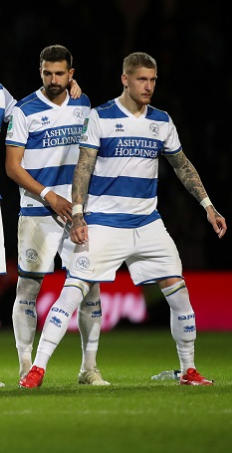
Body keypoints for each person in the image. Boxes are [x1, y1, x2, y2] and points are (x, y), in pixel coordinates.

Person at [20, 52, 226, 388]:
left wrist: (208, 205)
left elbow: (182, 165)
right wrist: (78, 214)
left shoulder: (161, 121)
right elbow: (83, 168)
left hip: (147, 224)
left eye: (153, 80)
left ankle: (188, 370)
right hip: (105, 223)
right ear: (125, 80)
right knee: (73, 293)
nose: (148, 86)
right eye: (142, 79)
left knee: (179, 293)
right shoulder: (101, 117)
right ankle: (37, 369)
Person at [4, 45, 109, 385]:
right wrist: (49, 195)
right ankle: (25, 365)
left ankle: (89, 368)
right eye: (47, 73)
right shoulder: (25, 110)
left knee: (90, 288)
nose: (53, 79)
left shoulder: (83, 104)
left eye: (60, 73)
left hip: (77, 212)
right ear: (40, 72)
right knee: (28, 288)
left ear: (70, 74)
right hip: (39, 211)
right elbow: (12, 167)